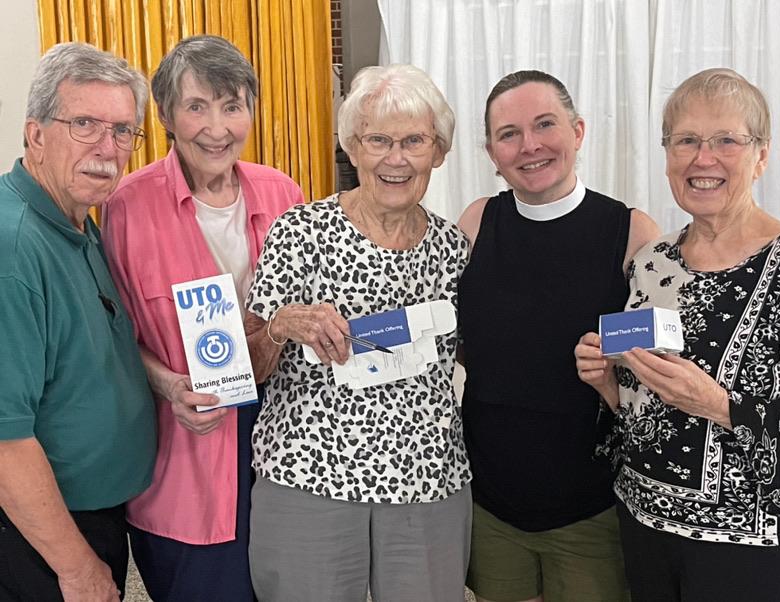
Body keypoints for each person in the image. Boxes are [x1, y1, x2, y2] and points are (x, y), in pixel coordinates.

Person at [575, 68, 780, 602]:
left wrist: (720, 406)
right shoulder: (651, 263)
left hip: (748, 547)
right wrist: (607, 384)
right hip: (643, 527)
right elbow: (638, 414)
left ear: (762, 154)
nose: (704, 159)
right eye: (686, 141)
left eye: (726, 140)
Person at [244, 63, 471, 601]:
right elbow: (244, 368)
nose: (396, 159)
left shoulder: (454, 249)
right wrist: (280, 325)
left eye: (414, 141)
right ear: (352, 147)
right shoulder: (300, 232)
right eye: (378, 140)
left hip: (427, 479)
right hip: (309, 474)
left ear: (438, 152)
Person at [102, 35, 302, 601]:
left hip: (283, 441)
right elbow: (115, 337)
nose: (217, 128)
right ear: (165, 115)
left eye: (232, 106)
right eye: (197, 107)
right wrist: (171, 385)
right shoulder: (127, 207)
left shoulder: (284, 195)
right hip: (185, 446)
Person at [457, 70, 659, 602]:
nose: (530, 145)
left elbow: (659, 381)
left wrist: (612, 377)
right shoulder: (476, 223)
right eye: (509, 134)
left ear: (578, 131)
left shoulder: (632, 233)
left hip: (592, 504)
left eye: (545, 124)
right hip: (491, 499)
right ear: (491, 152)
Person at [0, 42, 156, 601]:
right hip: (38, 536)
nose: (107, 149)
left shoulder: (77, 221)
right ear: (36, 134)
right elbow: (5, 440)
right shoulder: (14, 249)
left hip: (94, 514)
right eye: (84, 124)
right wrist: (76, 568)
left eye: (122, 130)